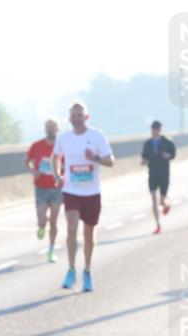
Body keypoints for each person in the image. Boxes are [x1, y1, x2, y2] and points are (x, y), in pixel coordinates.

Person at [52, 102, 115, 292]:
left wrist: (94, 158)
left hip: (92, 192)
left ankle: (87, 270)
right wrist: (57, 175)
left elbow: (111, 161)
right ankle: (71, 270)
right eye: (74, 115)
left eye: (80, 115)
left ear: (86, 117)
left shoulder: (97, 136)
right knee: (71, 228)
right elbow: (55, 156)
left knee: (89, 233)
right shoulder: (64, 138)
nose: (77, 118)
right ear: (69, 118)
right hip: (71, 191)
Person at [24, 119, 62, 262]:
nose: (50, 130)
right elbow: (26, 160)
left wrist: (61, 173)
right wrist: (33, 171)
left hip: (56, 188)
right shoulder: (37, 145)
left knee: (54, 221)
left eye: (53, 127)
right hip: (41, 187)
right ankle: (41, 226)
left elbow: (68, 164)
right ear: (45, 129)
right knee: (42, 220)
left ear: (57, 129)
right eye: (48, 127)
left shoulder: (61, 146)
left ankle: (51, 250)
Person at [141, 120, 176, 235]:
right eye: (152, 129)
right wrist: (144, 161)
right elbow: (143, 158)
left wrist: (168, 156)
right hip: (152, 174)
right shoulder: (147, 143)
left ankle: (167, 203)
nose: (154, 131)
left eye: (156, 129)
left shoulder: (167, 142)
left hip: (164, 174)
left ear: (160, 130)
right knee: (153, 198)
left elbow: (173, 154)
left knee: (161, 201)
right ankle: (158, 225)